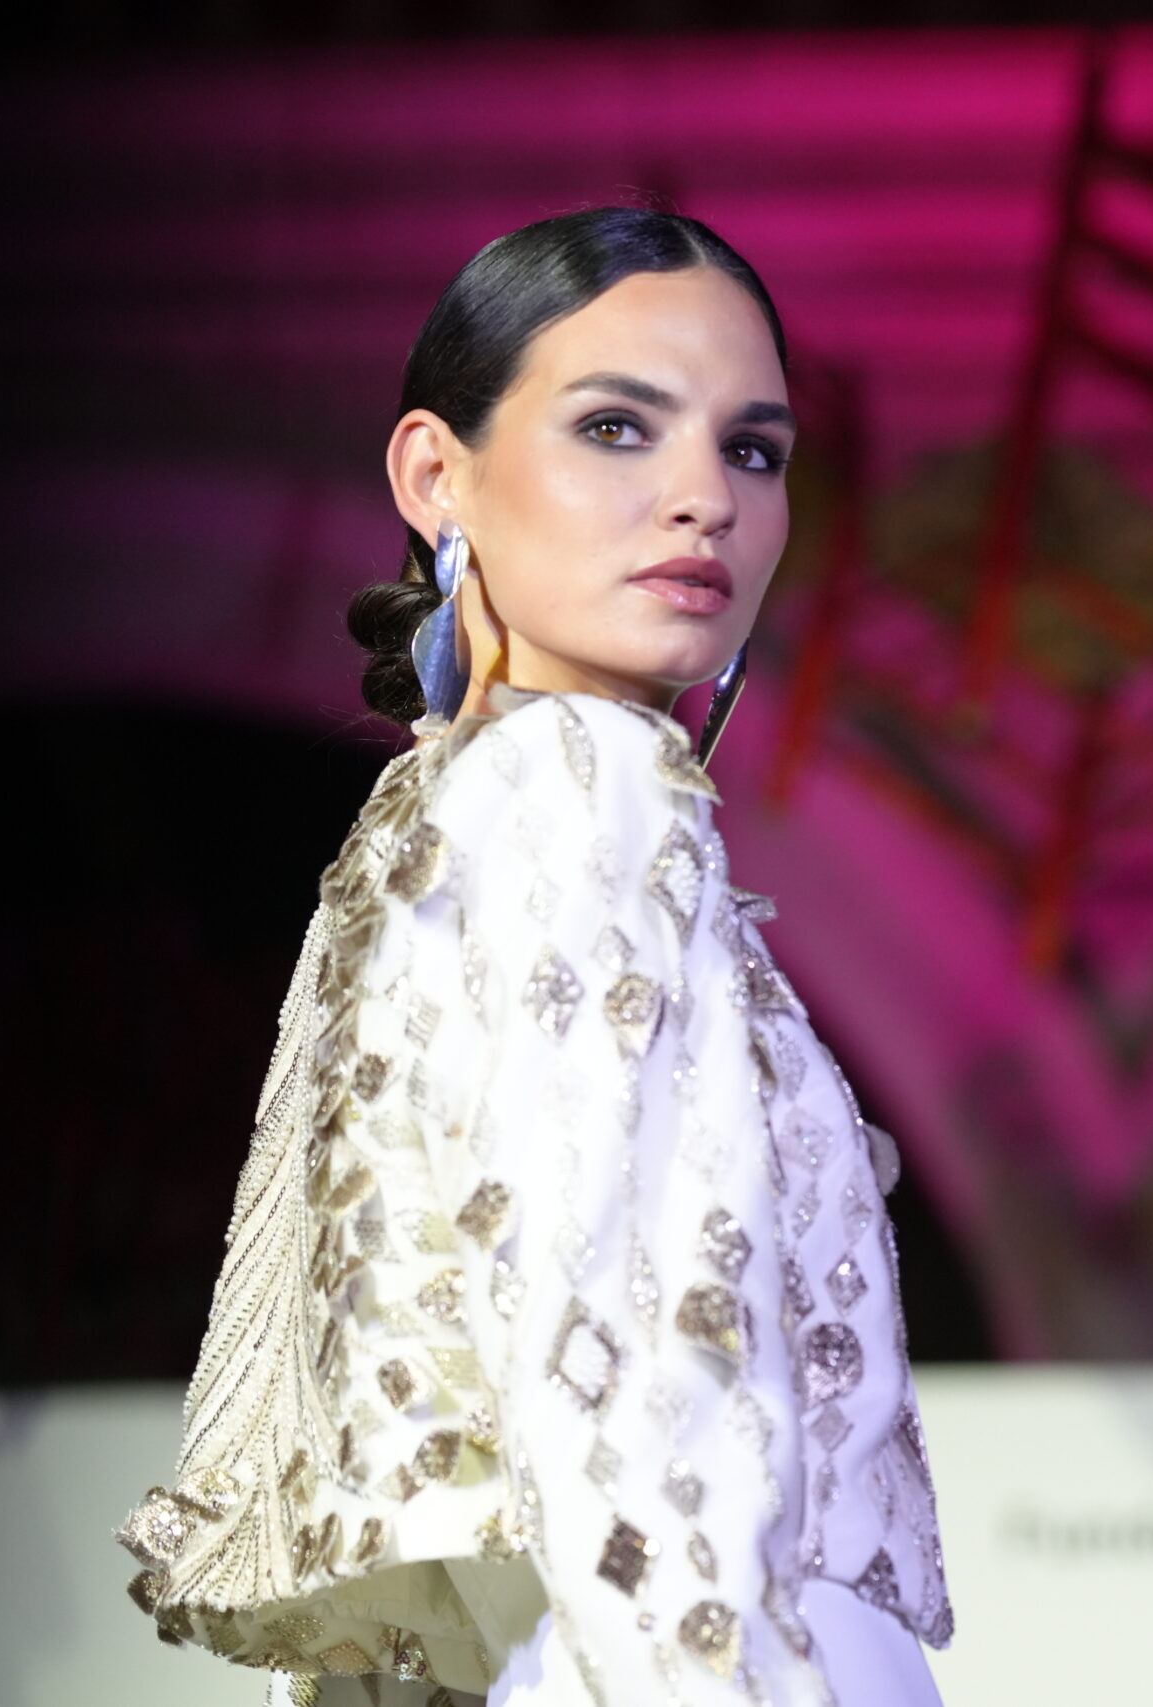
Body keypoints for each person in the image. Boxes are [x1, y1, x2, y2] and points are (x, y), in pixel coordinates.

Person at [120, 207, 950, 1707]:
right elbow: (637, 1377)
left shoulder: (432, 817)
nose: (703, 497)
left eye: (753, 450)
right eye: (617, 427)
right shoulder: (580, 787)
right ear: (436, 475)